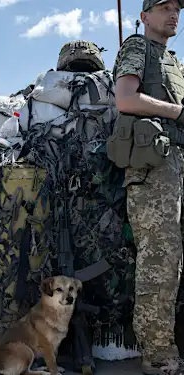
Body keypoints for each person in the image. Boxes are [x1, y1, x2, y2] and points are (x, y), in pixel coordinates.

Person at [113, 0, 184, 374]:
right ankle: (158, 356)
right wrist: (177, 112)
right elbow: (125, 99)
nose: (174, 14)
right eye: (164, 7)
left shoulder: (174, 62)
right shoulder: (137, 47)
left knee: (173, 261)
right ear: (144, 17)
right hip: (152, 169)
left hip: (175, 164)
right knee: (160, 260)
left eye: (178, 7)